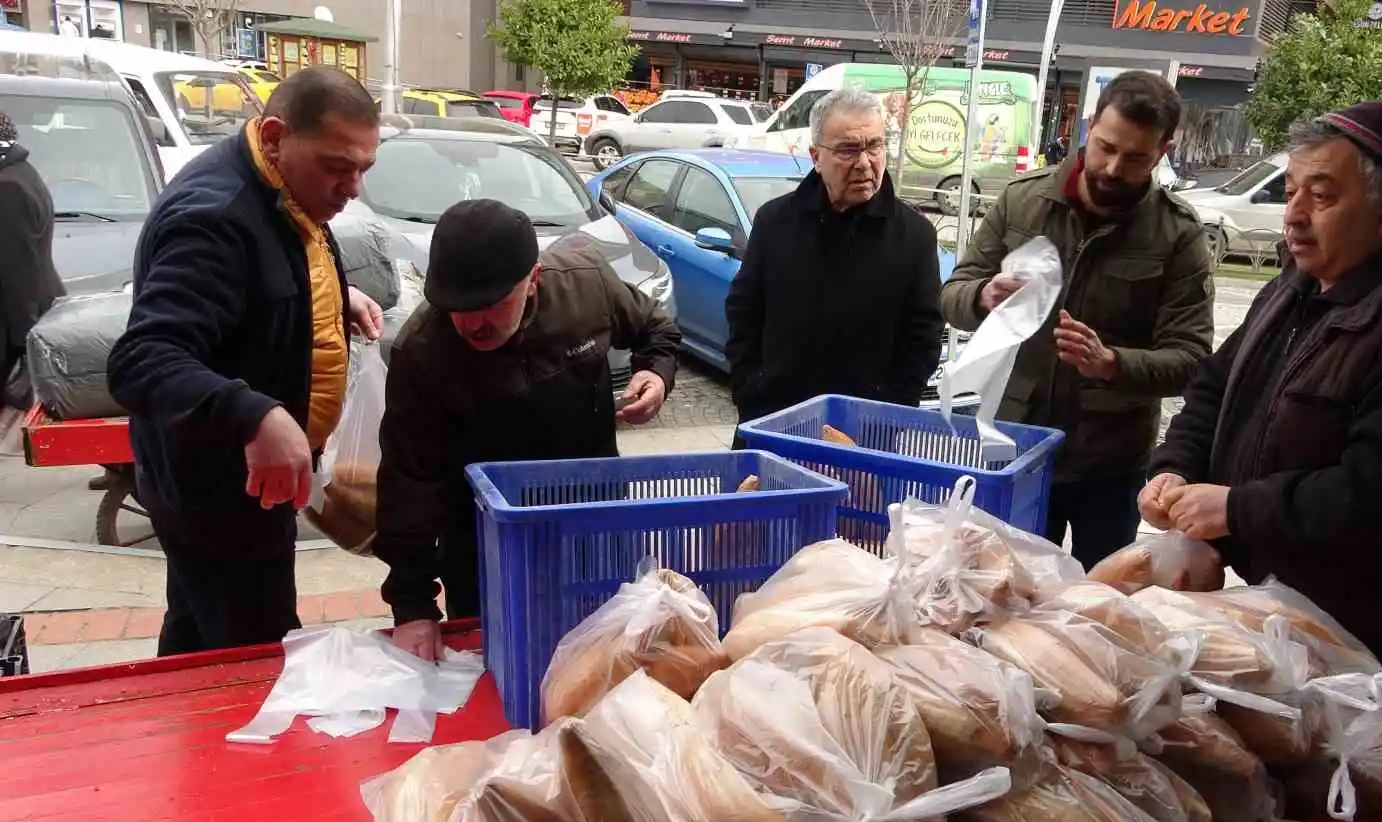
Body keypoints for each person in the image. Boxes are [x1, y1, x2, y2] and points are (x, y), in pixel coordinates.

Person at [1142, 102, 1382, 714]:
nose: (1295, 215)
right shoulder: (1296, 285)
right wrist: (1172, 467)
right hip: (1291, 612)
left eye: (1323, 197)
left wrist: (1235, 507)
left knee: (1352, 796)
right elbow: (1214, 389)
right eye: (1290, 192)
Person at [106, 67, 386, 655]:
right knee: (251, 656)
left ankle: (181, 730)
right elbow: (142, 358)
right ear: (278, 135)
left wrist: (335, 297)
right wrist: (255, 414)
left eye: (363, 168)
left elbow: (267, 277)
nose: (352, 187)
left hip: (249, 490)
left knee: (197, 638)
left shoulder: (280, 188)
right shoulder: (216, 217)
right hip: (221, 500)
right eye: (337, 166)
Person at [376, 199, 680, 661]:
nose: (473, 323)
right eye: (458, 308)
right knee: (503, 661)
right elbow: (408, 483)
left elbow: (656, 329)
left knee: (608, 655)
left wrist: (655, 374)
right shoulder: (422, 352)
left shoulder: (584, 285)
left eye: (492, 305)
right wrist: (412, 606)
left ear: (533, 279)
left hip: (593, 516)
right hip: (487, 540)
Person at [940, 70, 1213, 568]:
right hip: (1013, 449)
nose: (1111, 168)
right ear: (1088, 127)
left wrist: (1112, 363)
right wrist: (983, 295)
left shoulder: (1178, 235)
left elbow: (1193, 361)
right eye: (1105, 146)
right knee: (999, 598)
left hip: (1109, 466)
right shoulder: (1023, 200)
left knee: (1097, 610)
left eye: (1135, 158)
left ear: (1163, 150)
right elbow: (952, 294)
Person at [725, 87, 943, 429]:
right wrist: (751, 394)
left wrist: (887, 418)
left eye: (874, 146)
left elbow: (923, 339)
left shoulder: (914, 235)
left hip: (866, 437)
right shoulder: (775, 222)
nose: (864, 162)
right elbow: (743, 313)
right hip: (775, 424)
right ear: (816, 156)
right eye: (848, 150)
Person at [0, 109, 65, 402]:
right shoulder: (20, 172)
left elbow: (18, 274)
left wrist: (26, 345)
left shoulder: (7, 187)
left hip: (16, 328)